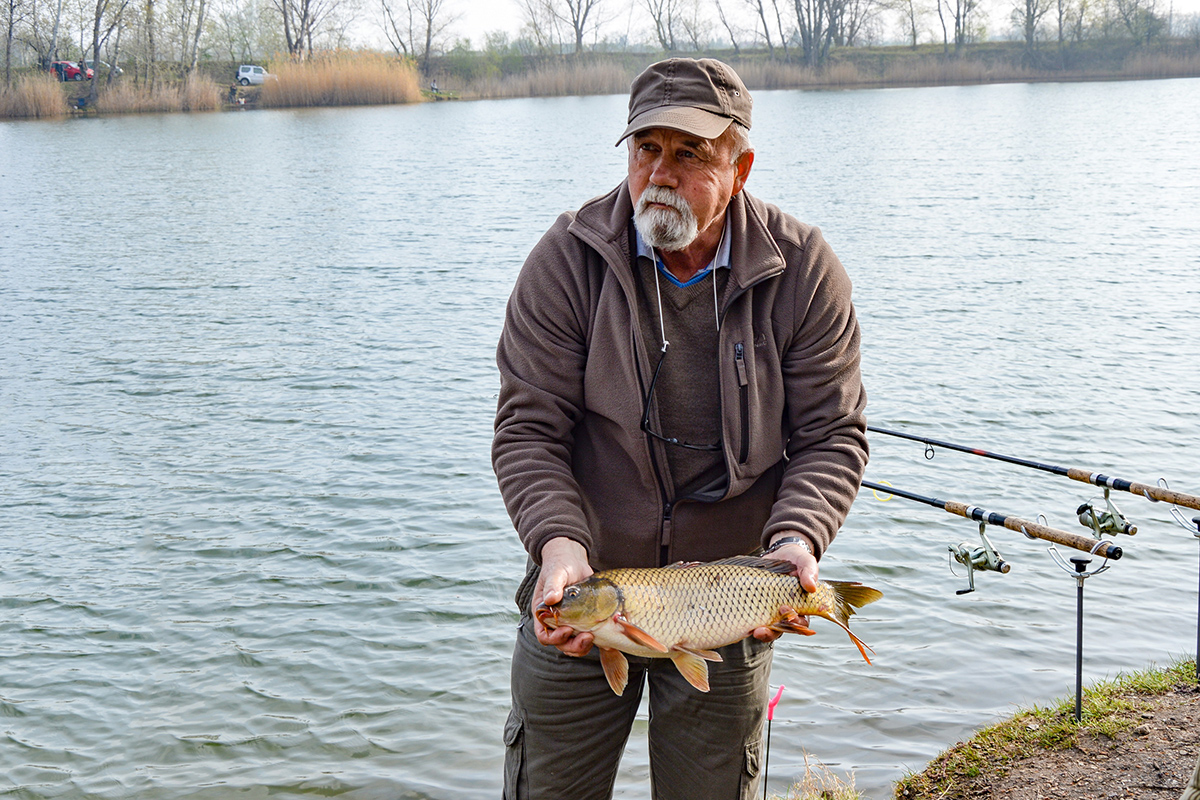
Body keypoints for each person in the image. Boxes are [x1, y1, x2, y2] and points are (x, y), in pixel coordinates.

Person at [492, 57, 869, 800]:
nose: (660, 174)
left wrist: (795, 540)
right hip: (586, 586)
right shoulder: (566, 260)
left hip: (729, 598)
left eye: (690, 153)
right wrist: (558, 545)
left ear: (740, 167)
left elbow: (831, 436)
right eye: (646, 149)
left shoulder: (803, 270)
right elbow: (528, 432)